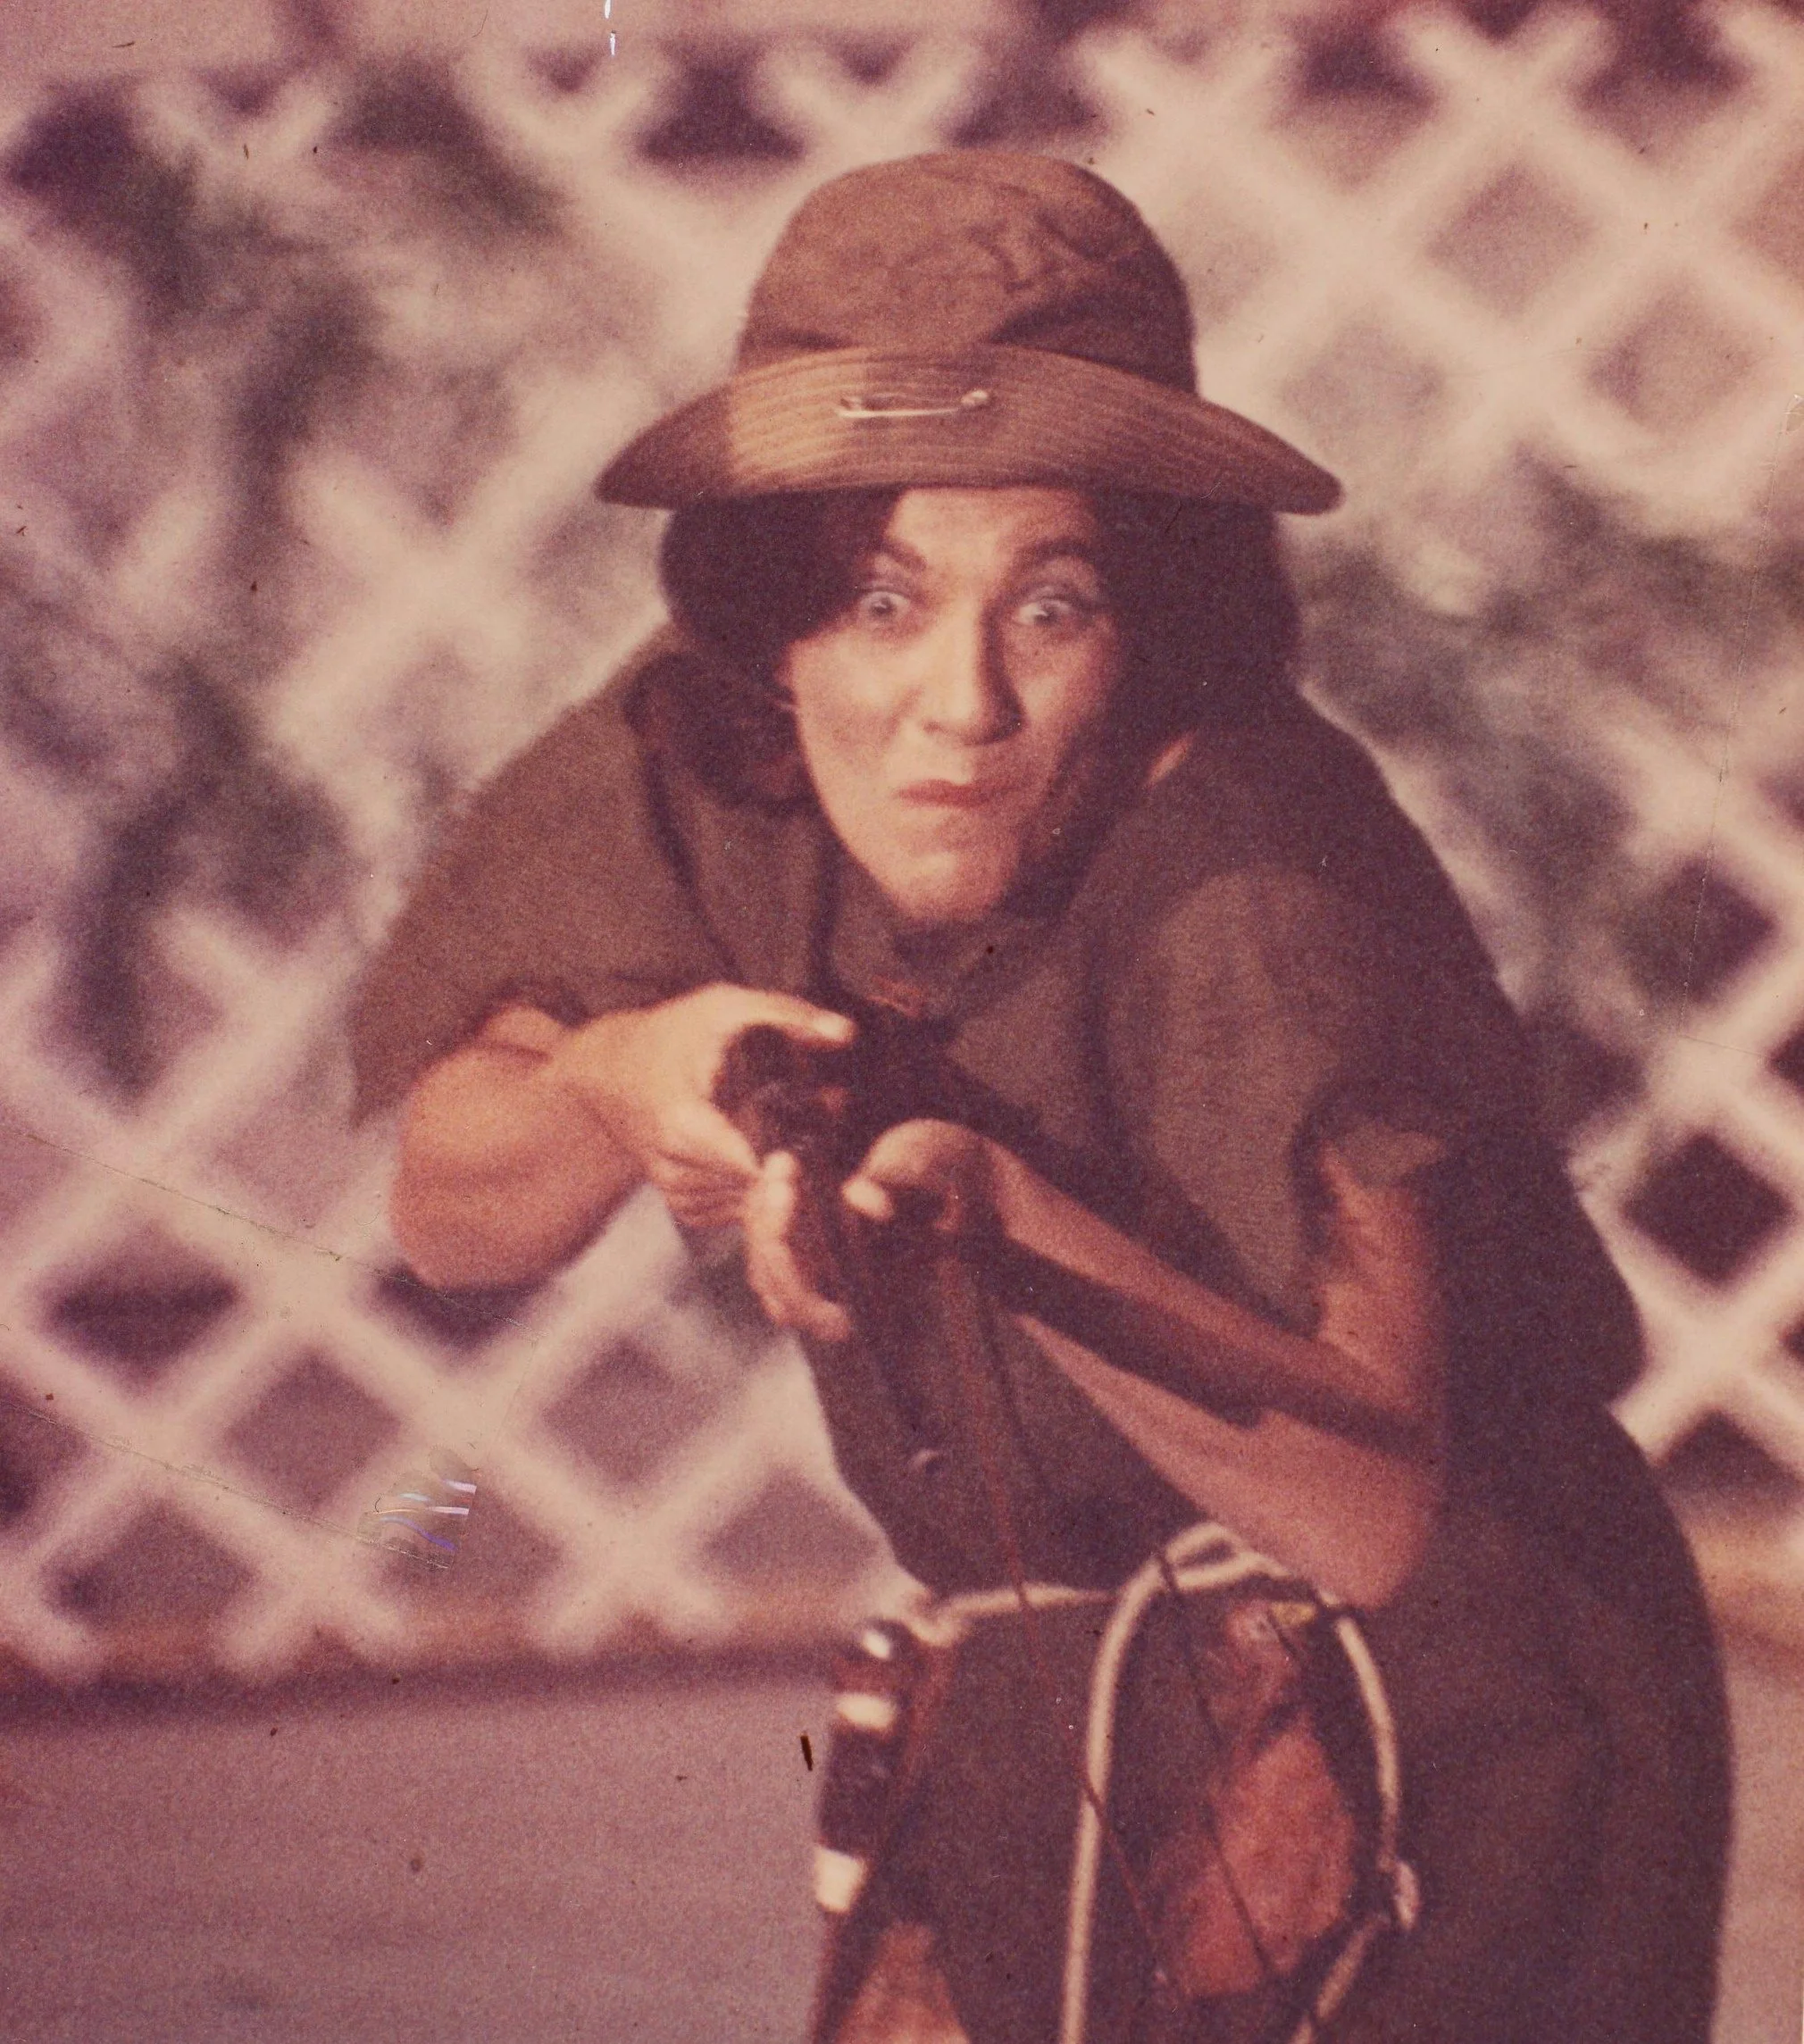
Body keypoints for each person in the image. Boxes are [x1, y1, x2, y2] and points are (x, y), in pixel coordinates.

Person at [350, 153, 1728, 2042]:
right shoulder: (710, 752)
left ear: (1151, 614)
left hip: (1457, 1724)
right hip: (1056, 1680)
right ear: (771, 618)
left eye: (1051, 604)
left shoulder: (1248, 871)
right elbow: (445, 1205)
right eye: (879, 597)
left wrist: (1011, 1228)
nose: (957, 703)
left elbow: (1370, 1505)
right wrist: (613, 1068)